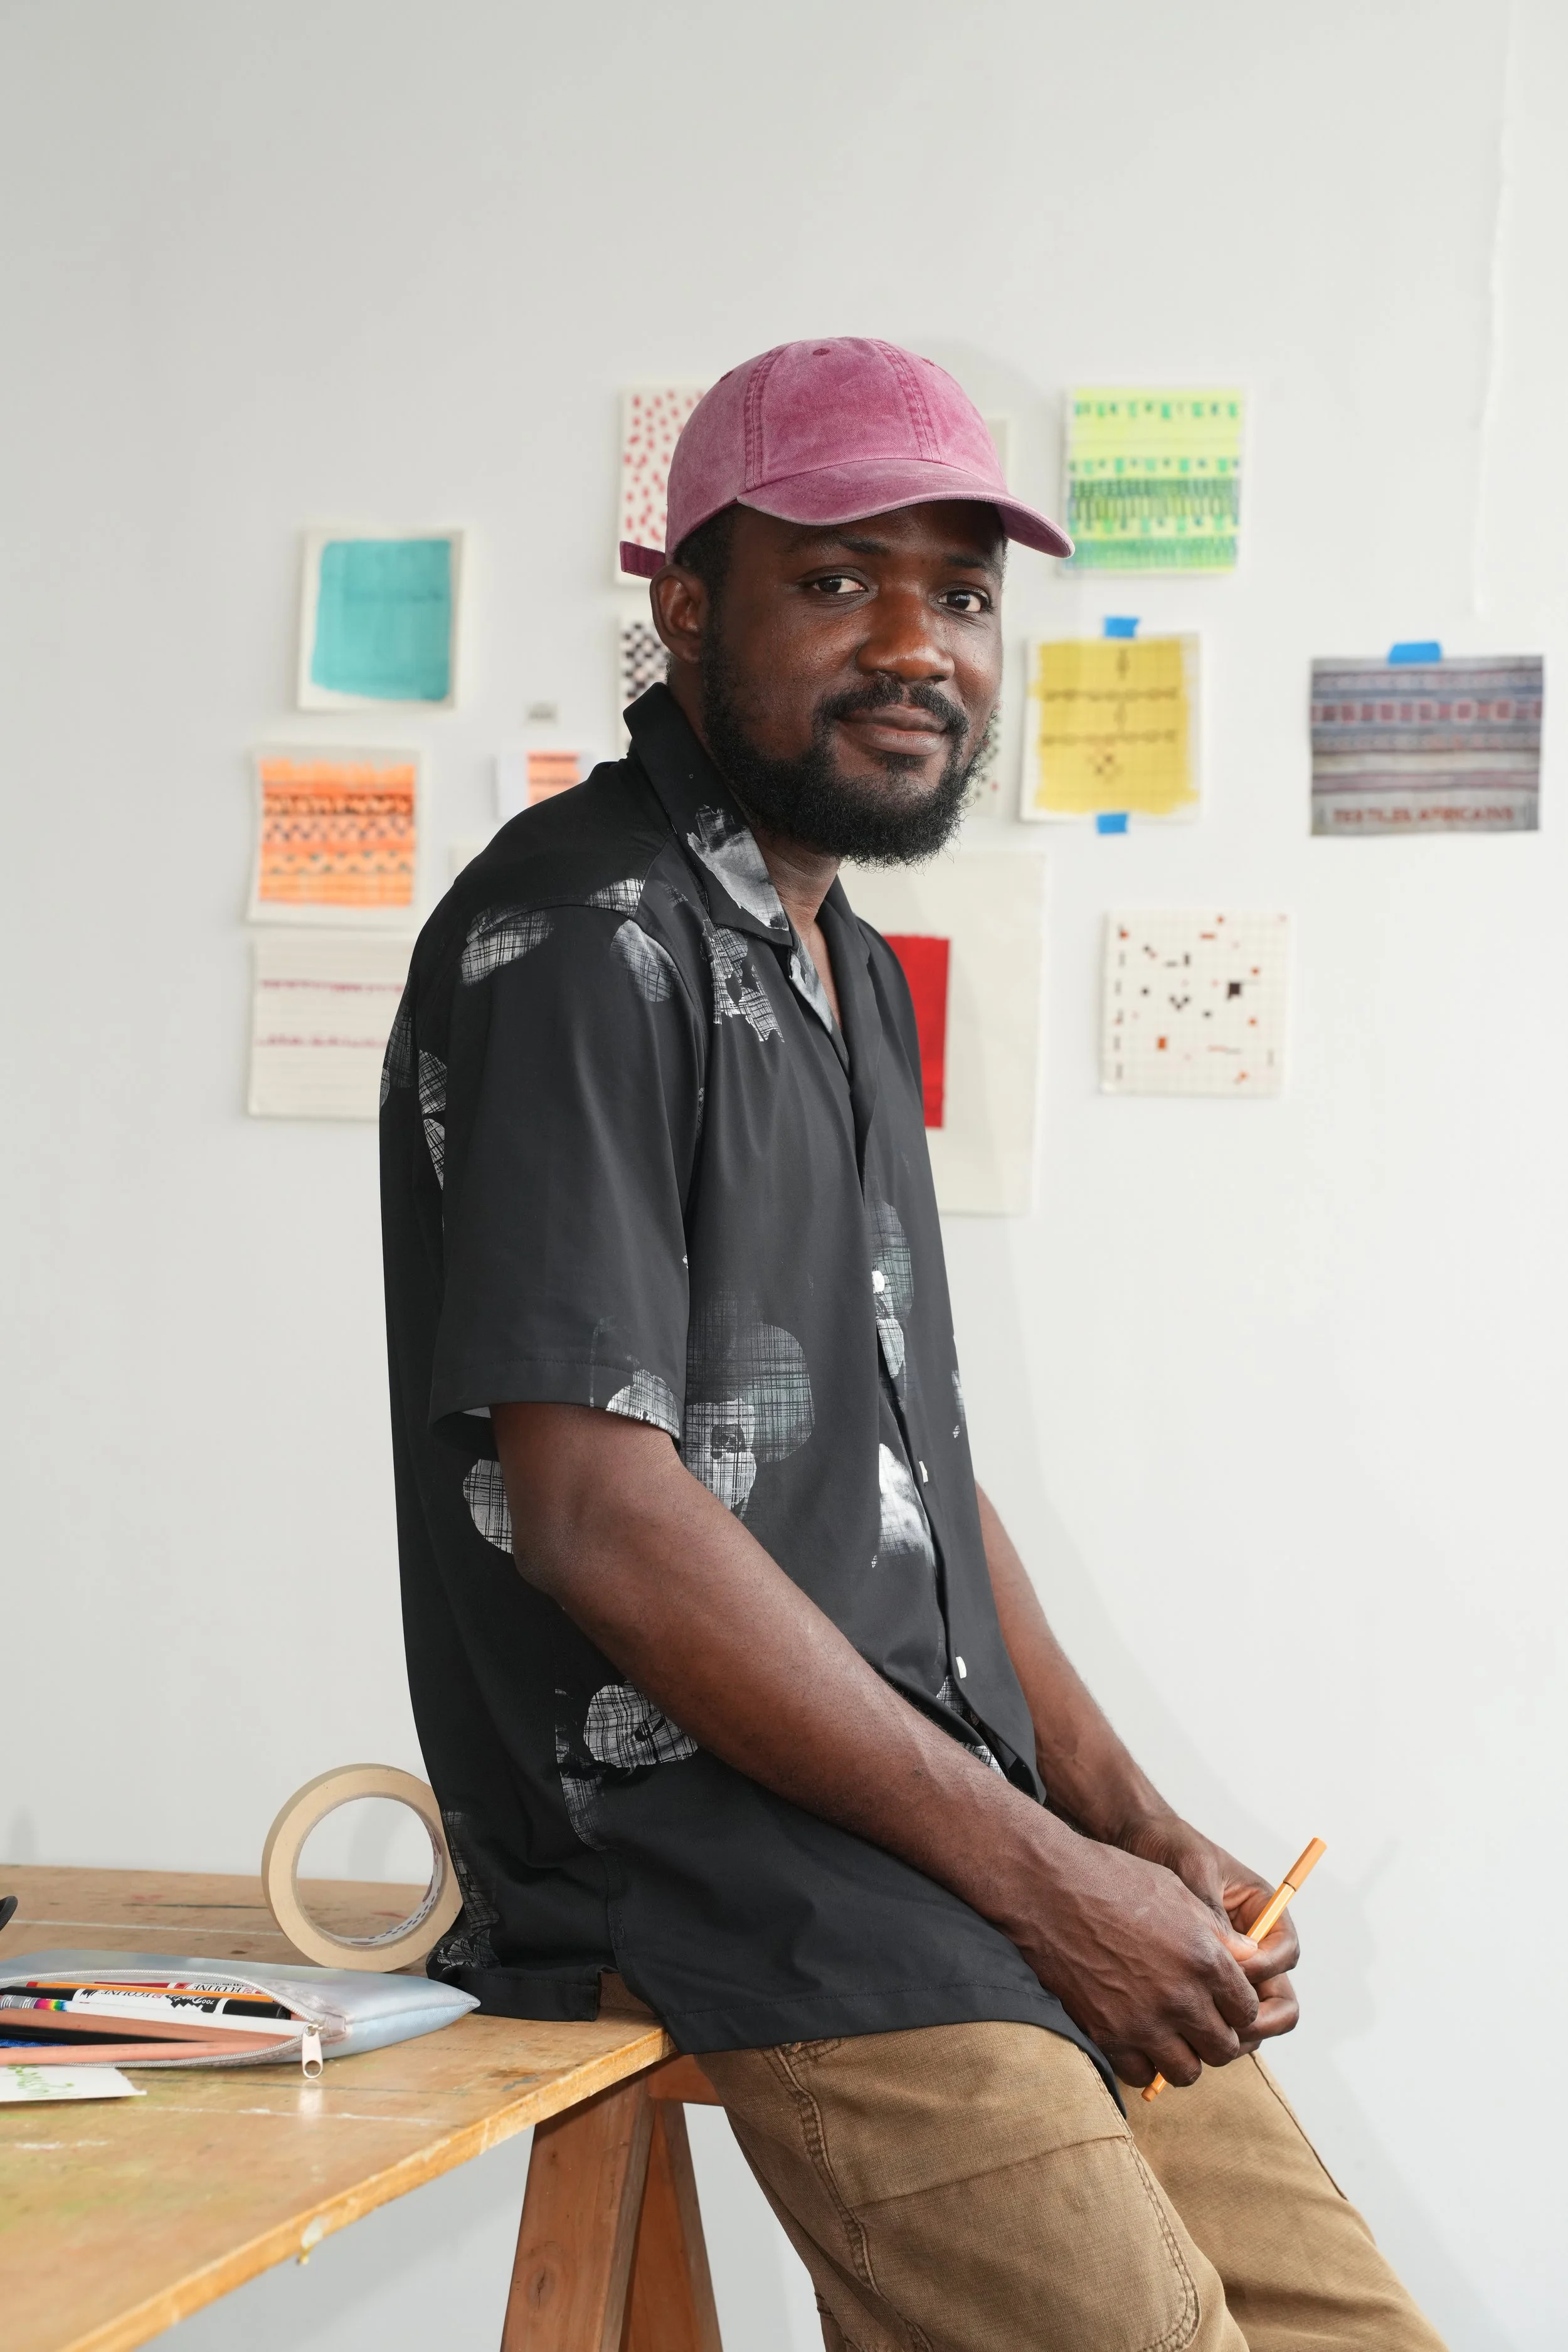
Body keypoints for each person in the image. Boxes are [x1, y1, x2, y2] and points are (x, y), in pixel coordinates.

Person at [380, 337, 1443, 2349]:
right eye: (836, 578)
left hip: (927, 1838)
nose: (914, 643)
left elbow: (908, 1476)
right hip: (711, 1869)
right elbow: (595, 1513)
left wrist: (1125, 1826)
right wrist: (1048, 1881)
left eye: (957, 593)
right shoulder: (583, 934)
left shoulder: (843, 965)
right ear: (684, 603)